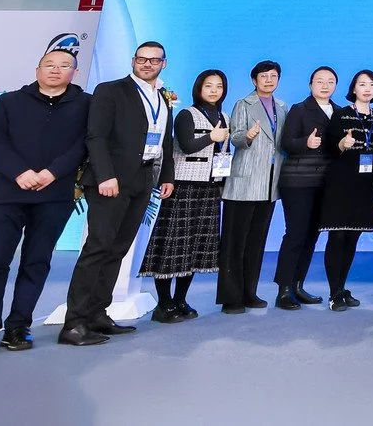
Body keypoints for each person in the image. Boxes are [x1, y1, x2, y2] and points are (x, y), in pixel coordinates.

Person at [0, 48, 89, 357]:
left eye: (64, 65)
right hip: (5, 194)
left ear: (75, 72)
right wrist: (19, 172)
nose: (56, 70)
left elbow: (85, 144)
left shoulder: (87, 105)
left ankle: (19, 326)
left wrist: (53, 172)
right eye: (49, 64)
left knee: (36, 261)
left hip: (54, 195)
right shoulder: (9, 102)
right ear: (37, 70)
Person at [60, 41, 176, 347]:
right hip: (110, 180)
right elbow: (96, 136)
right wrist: (105, 175)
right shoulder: (111, 90)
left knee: (118, 249)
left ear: (163, 63)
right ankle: (74, 323)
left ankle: (97, 313)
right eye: (142, 59)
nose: (147, 64)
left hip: (143, 178)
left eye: (154, 60)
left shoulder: (163, 97)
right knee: (97, 248)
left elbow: (164, 140)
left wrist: (166, 176)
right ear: (133, 60)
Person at [139, 69, 231, 323]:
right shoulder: (186, 114)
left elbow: (223, 153)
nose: (214, 90)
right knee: (172, 246)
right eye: (209, 85)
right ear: (198, 88)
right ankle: (163, 303)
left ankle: (180, 299)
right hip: (184, 187)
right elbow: (188, 145)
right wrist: (212, 136)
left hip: (210, 188)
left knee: (195, 248)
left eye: (219, 86)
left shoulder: (224, 116)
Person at [219, 60, 286, 314]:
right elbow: (235, 136)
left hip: (269, 184)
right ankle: (231, 298)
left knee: (257, 242)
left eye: (273, 76)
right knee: (235, 243)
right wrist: (247, 136)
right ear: (254, 80)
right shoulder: (243, 104)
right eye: (263, 76)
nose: (269, 80)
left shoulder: (282, 107)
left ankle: (249, 292)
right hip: (244, 183)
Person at [273, 66, 335, 310]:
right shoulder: (299, 109)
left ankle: (298, 285)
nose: (325, 85)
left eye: (330, 81)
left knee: (312, 235)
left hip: (325, 183)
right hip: (298, 181)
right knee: (296, 233)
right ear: (310, 85)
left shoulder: (339, 112)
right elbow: (286, 143)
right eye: (320, 81)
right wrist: (305, 143)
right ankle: (284, 290)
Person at [319, 70, 373, 311]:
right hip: (340, 185)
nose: (367, 88)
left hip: (365, 187)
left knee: (352, 238)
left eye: (372, 84)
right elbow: (329, 148)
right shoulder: (340, 114)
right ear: (354, 89)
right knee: (337, 237)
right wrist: (342, 144)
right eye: (362, 84)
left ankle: (342, 287)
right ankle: (334, 293)